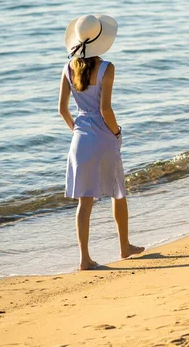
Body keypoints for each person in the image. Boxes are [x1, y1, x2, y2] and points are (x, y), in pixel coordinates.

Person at [58, 14, 144, 270]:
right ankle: (124, 247)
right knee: (118, 192)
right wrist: (116, 132)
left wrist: (78, 131)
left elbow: (62, 109)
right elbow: (106, 109)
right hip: (104, 136)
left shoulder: (67, 68)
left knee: (85, 202)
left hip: (80, 139)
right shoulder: (107, 68)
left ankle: (84, 259)